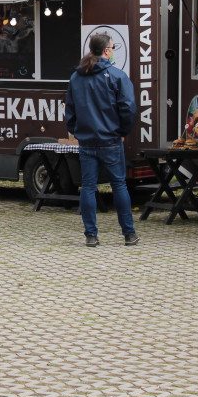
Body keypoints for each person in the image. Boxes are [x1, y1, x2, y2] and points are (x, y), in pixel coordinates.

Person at [65, 32, 138, 248]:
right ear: (106, 51)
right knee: (118, 185)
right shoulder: (117, 76)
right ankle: (128, 234)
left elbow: (70, 110)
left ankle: (91, 235)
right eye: (113, 48)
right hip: (111, 140)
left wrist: (77, 131)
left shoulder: (77, 77)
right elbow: (129, 108)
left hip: (87, 141)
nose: (113, 51)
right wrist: (122, 131)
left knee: (88, 187)